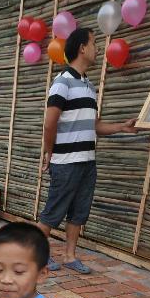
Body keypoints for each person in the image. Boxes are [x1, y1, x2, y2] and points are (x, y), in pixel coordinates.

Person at [38, 28, 136, 274]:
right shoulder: (62, 83)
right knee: (53, 212)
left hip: (87, 161)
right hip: (66, 161)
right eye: (94, 43)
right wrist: (50, 153)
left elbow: (94, 126)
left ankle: (70, 256)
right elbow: (49, 123)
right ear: (82, 48)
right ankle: (38, 255)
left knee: (79, 211)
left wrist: (121, 127)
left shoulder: (90, 87)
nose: (98, 49)